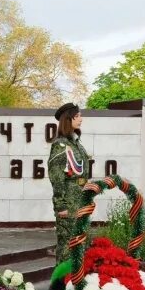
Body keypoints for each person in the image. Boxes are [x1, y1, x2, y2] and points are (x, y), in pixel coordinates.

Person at [48, 103, 91, 264]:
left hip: (80, 200)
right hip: (69, 203)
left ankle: (76, 282)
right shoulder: (60, 145)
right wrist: (61, 206)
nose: (81, 119)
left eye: (80, 115)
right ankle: (63, 283)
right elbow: (57, 177)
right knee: (68, 246)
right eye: (77, 116)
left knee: (80, 244)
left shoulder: (76, 143)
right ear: (68, 119)